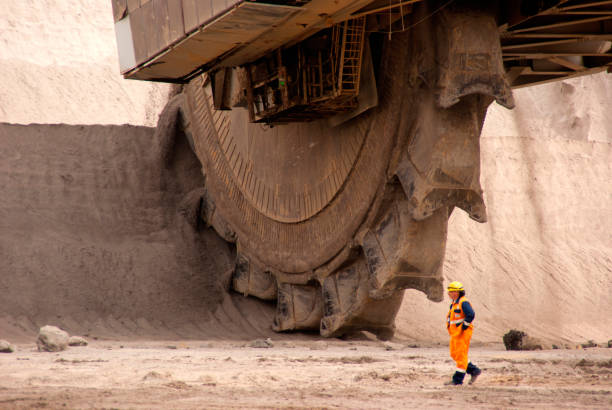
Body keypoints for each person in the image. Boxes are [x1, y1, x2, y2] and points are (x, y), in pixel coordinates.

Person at [444, 281, 481, 385]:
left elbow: (471, 314)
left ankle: (457, 380)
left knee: (461, 356)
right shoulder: (454, 303)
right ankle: (474, 370)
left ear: (457, 292)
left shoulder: (463, 302)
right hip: (455, 333)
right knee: (454, 354)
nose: (449, 293)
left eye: (451, 291)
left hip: (462, 333)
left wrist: (465, 325)